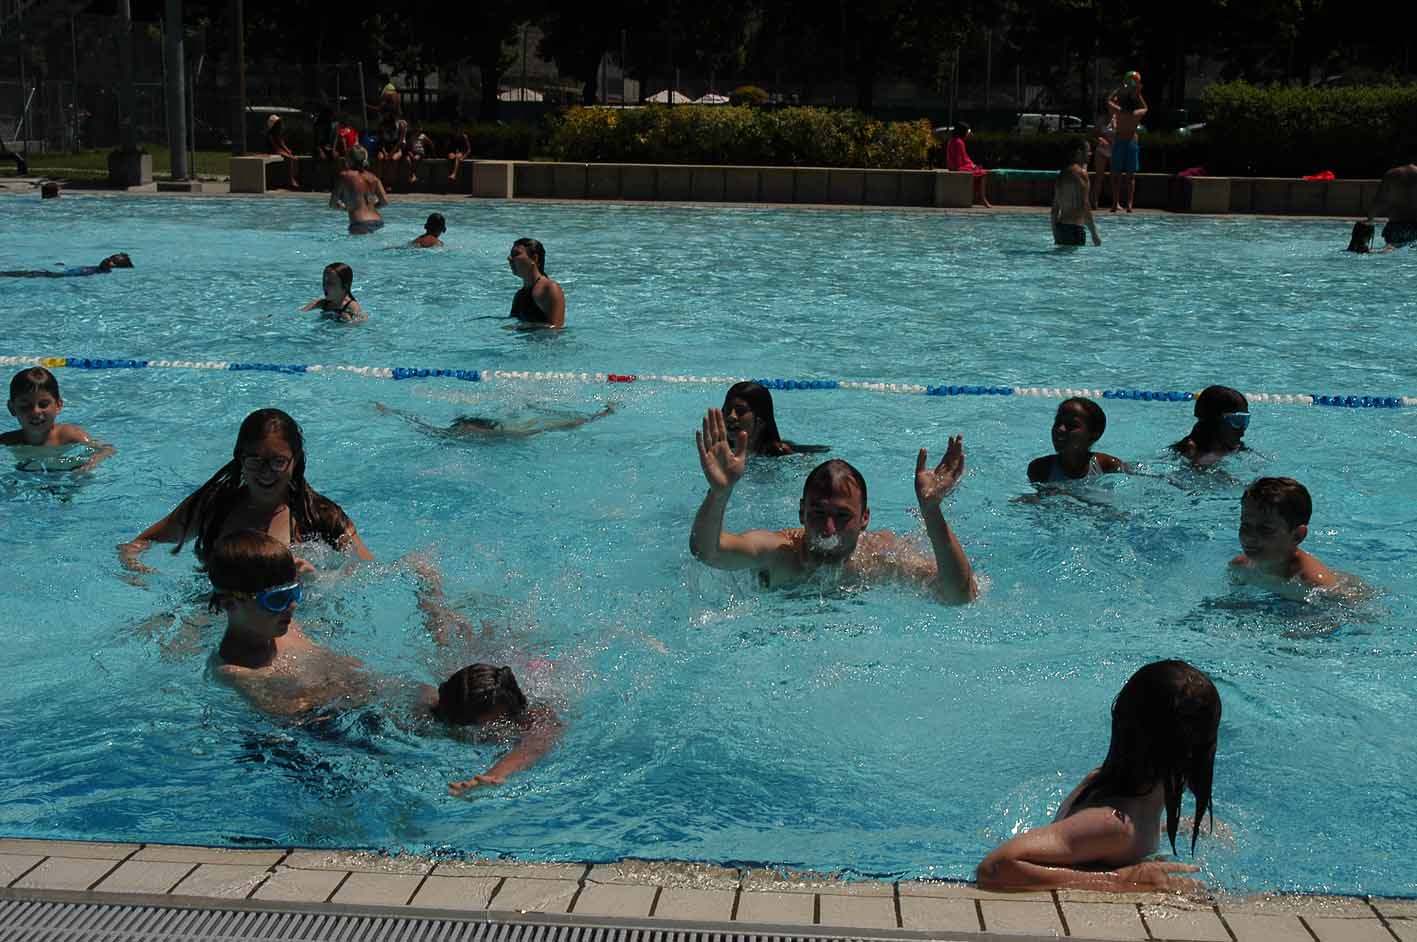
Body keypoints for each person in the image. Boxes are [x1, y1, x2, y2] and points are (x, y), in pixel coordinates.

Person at [208, 531, 562, 791]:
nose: (292, 606)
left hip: (408, 696)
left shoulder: (279, 624)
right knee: (533, 724)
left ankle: (430, 595)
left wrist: (315, 579)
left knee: (528, 712)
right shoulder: (236, 672)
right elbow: (299, 723)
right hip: (386, 722)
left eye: (294, 593)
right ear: (230, 603)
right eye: (277, 600)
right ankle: (498, 773)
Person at [976, 660, 1220, 893]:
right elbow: (995, 867)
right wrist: (1122, 881)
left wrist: (1167, 829)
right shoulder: (1114, 826)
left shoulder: (1131, 794)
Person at [690, 408, 977, 602]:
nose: (828, 529)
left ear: (865, 518)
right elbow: (708, 552)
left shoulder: (881, 557)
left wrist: (931, 511)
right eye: (818, 513)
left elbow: (958, 595)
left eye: (842, 516)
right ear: (801, 512)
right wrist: (719, 494)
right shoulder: (778, 552)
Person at [119, 408, 374, 573]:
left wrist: (319, 582)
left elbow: (368, 571)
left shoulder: (319, 515)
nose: (266, 472)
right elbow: (139, 542)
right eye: (255, 461)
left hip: (295, 618)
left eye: (278, 461)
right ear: (240, 458)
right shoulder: (214, 506)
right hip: (220, 610)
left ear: (295, 461)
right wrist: (134, 565)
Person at [1230, 477, 1339, 592]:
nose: (1249, 537)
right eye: (1245, 525)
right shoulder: (1240, 567)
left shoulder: (1316, 586)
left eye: (1266, 529)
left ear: (1297, 536)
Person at [3, 367, 115, 471]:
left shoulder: (70, 436)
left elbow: (107, 449)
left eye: (43, 404)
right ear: (12, 408)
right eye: (25, 406)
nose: (35, 411)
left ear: (58, 405)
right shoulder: (8, 441)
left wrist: (91, 463)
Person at [375, 401, 616, 439]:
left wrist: (599, 416)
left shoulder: (511, 434)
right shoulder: (459, 433)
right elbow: (423, 426)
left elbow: (560, 426)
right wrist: (393, 412)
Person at [1027, 397, 1125, 483]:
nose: (1060, 429)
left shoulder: (1108, 465)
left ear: (1094, 435)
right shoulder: (1040, 469)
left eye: (1071, 425)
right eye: (1058, 422)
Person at [720, 381, 828, 457]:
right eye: (727, 409)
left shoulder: (782, 455)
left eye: (740, 411)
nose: (731, 416)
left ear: (760, 420)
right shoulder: (718, 450)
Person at [1170, 385, 1248, 467]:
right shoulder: (1190, 452)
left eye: (1246, 420)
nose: (1243, 428)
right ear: (1214, 422)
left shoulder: (1233, 446)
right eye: (1238, 421)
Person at [1107, 73, 1148, 212]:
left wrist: (1120, 89)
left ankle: (1115, 203)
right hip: (1131, 142)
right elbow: (1145, 108)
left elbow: (1109, 101)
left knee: (1116, 175)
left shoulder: (1119, 112)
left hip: (1120, 142)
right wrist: (1138, 94)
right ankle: (1129, 205)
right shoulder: (1136, 114)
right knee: (1130, 177)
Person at [1051, 140, 1102, 246]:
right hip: (1075, 230)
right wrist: (1094, 234)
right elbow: (1085, 205)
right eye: (1088, 151)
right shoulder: (1082, 174)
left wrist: (1055, 233)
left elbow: (1055, 208)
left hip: (1061, 228)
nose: (1090, 154)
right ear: (1079, 152)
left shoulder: (1062, 174)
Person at [508, 238, 566, 329]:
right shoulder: (519, 295)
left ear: (534, 258)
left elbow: (556, 328)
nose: (509, 259)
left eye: (516, 254)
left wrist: (522, 327)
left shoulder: (549, 289)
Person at [330, 146, 388, 236]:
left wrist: (346, 208)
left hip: (360, 224)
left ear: (349, 160)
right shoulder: (374, 178)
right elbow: (384, 202)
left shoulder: (344, 176)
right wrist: (369, 208)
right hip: (378, 222)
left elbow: (332, 203)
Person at [1363, 162, 1417, 251]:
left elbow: (1379, 200)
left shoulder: (1391, 175)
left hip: (1396, 226)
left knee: (1391, 249)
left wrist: (1369, 219)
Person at [945, 122, 992, 208]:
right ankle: (982, 198)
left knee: (978, 170)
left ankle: (977, 197)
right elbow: (959, 161)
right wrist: (972, 166)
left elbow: (963, 157)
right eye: (967, 132)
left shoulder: (953, 140)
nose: (967, 134)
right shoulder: (959, 142)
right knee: (983, 173)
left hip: (953, 166)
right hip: (957, 167)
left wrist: (972, 165)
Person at [300, 262, 366, 322]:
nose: (325, 286)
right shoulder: (323, 303)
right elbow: (300, 313)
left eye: (330, 283)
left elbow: (360, 323)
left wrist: (348, 321)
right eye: (324, 282)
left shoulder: (351, 306)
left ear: (345, 286)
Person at [0, 253, 133, 278]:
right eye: (110, 257)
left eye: (112, 260)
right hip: (59, 273)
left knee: (28, 274)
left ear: (115, 267)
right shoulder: (99, 268)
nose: (107, 259)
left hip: (56, 276)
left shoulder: (104, 272)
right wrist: (65, 266)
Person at [264, 114, 300, 190]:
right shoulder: (270, 135)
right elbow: (276, 148)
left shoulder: (278, 134)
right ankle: (290, 180)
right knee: (289, 158)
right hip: (272, 152)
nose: (280, 125)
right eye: (278, 124)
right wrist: (287, 155)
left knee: (294, 158)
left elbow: (282, 144)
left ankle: (293, 179)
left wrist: (289, 152)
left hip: (278, 152)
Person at [1089, 107, 1114, 209]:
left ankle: (1115, 202)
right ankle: (1094, 201)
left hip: (1115, 151)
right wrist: (1100, 139)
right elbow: (1093, 134)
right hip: (1102, 150)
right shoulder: (1102, 119)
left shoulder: (1119, 118)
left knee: (1115, 177)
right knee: (1099, 176)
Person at [375, 117, 405, 190]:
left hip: (395, 149)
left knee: (394, 159)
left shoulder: (399, 129)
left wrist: (391, 154)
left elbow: (398, 144)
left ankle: (389, 183)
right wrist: (385, 153)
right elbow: (381, 143)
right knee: (380, 158)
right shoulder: (382, 129)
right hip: (384, 149)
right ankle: (379, 182)